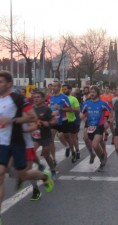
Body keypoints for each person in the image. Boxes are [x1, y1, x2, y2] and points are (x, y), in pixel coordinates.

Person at [0, 71, 54, 223]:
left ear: (9, 84)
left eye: (1, 82)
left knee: (22, 175)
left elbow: (33, 118)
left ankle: (44, 176)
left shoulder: (17, 98)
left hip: (17, 142)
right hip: (1, 143)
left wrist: (11, 120)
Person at [81, 86, 112, 171]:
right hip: (90, 125)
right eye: (91, 92)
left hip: (99, 126)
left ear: (97, 93)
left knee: (95, 144)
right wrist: (82, 116)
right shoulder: (87, 103)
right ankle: (101, 156)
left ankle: (102, 160)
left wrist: (108, 121)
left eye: (93, 92)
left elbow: (112, 112)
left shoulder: (103, 103)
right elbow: (82, 112)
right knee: (86, 139)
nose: (91, 93)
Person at [32, 91, 57, 178]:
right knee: (31, 152)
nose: (35, 99)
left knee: (46, 154)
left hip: (45, 135)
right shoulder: (31, 109)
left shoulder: (46, 109)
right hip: (35, 135)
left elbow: (54, 120)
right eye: (34, 97)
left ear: (43, 99)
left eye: (38, 97)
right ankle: (40, 165)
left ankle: (53, 170)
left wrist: (48, 123)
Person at [49, 81, 72, 164]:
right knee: (51, 139)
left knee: (61, 135)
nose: (53, 87)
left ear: (59, 88)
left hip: (63, 120)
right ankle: (54, 159)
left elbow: (70, 109)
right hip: (54, 121)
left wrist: (60, 108)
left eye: (55, 86)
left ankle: (67, 146)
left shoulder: (64, 97)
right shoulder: (51, 97)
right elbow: (50, 108)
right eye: (53, 86)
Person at [62, 84, 81, 161]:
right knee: (62, 136)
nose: (64, 90)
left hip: (72, 120)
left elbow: (78, 110)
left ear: (69, 90)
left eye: (65, 89)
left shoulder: (73, 99)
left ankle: (77, 151)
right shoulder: (61, 98)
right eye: (63, 89)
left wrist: (70, 109)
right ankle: (71, 149)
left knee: (73, 138)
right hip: (63, 121)